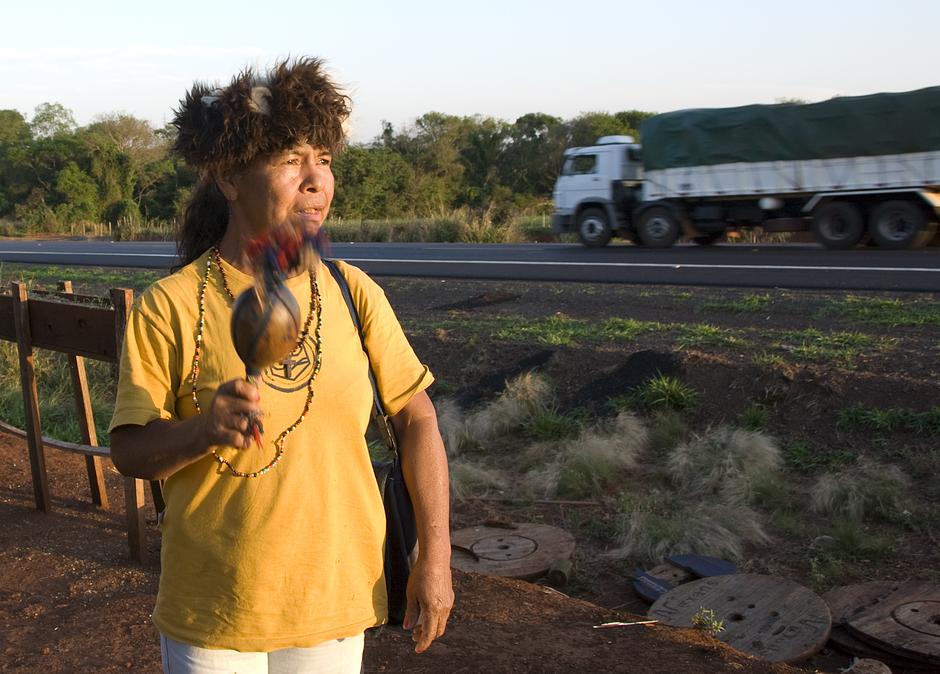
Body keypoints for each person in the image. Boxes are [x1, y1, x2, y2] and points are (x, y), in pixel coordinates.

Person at [109, 57, 454, 674]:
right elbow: (131, 452)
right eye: (292, 161)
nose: (316, 179)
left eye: (324, 159)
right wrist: (203, 430)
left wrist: (436, 555)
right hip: (216, 609)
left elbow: (418, 419)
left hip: (334, 601)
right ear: (229, 179)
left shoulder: (354, 292)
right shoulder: (173, 304)